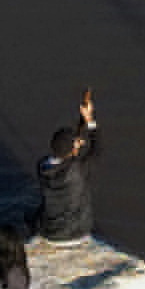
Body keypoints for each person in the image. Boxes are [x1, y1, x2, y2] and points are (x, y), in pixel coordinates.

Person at [33, 95, 101, 248]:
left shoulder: (42, 167)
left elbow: (65, 157)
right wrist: (89, 120)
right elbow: (97, 149)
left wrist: (74, 147)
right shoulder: (77, 170)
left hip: (49, 232)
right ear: (72, 150)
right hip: (76, 234)